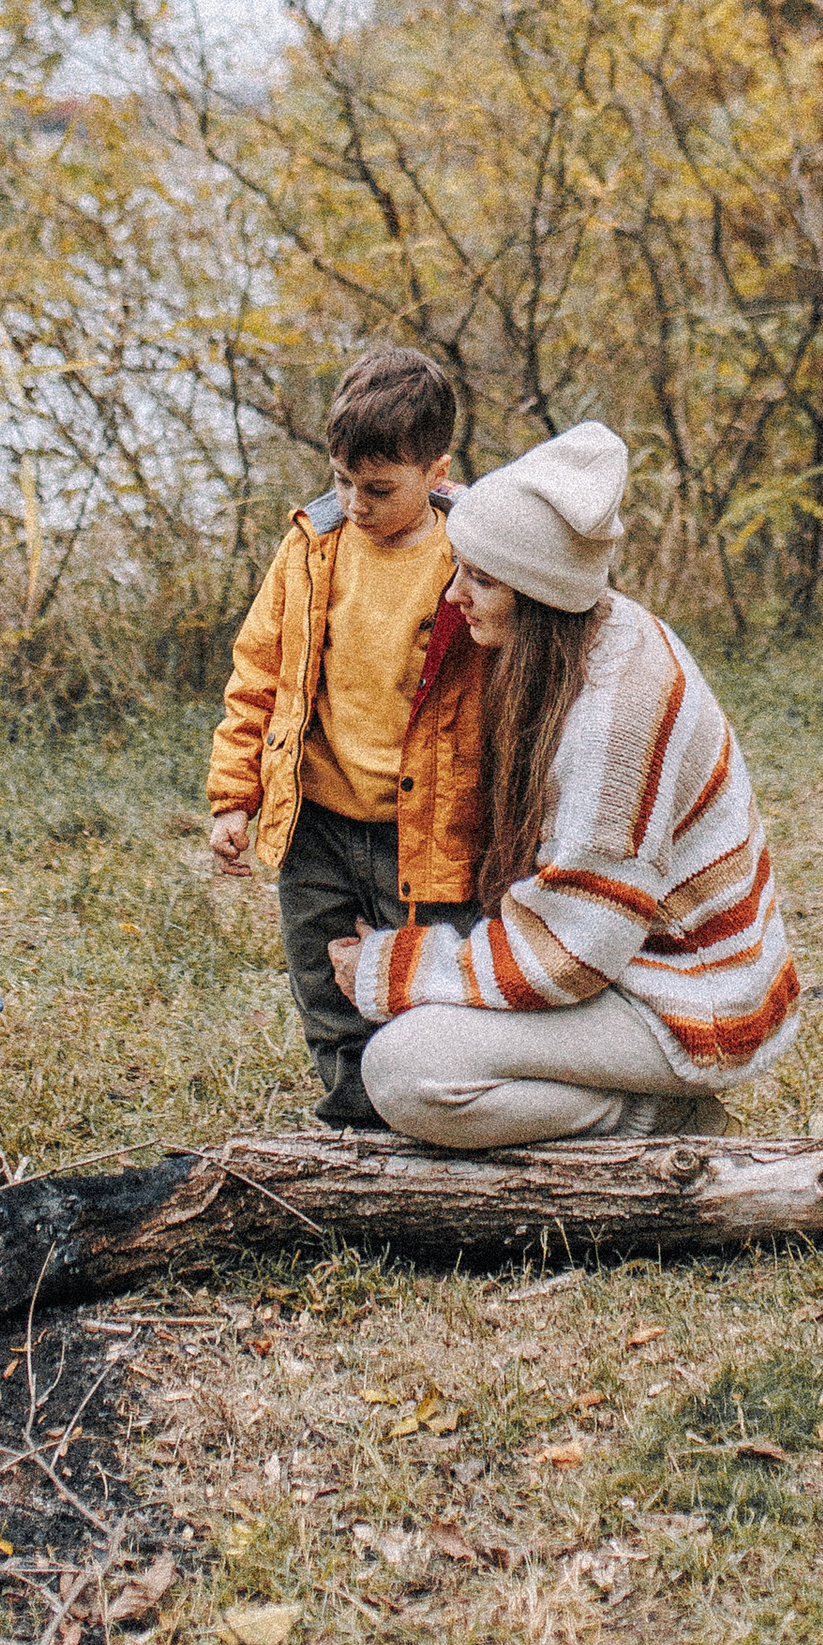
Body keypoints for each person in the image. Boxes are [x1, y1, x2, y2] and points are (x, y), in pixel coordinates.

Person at [331, 423, 800, 1145]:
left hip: (685, 1000)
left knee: (404, 1070)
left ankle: (657, 1119)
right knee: (414, 1048)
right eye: (460, 568)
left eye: (482, 580)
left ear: (541, 594)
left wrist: (395, 969)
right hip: (632, 963)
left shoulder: (616, 715)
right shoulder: (586, 636)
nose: (455, 595)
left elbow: (574, 950)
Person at [205, 348, 486, 1129]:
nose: (354, 503)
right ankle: (352, 1124)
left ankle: (426, 1118)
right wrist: (236, 796)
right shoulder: (310, 548)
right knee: (325, 986)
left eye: (377, 488)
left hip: (425, 828)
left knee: (420, 982)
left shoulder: (472, 557)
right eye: (340, 481)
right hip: (319, 821)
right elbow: (258, 670)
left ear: (436, 471)